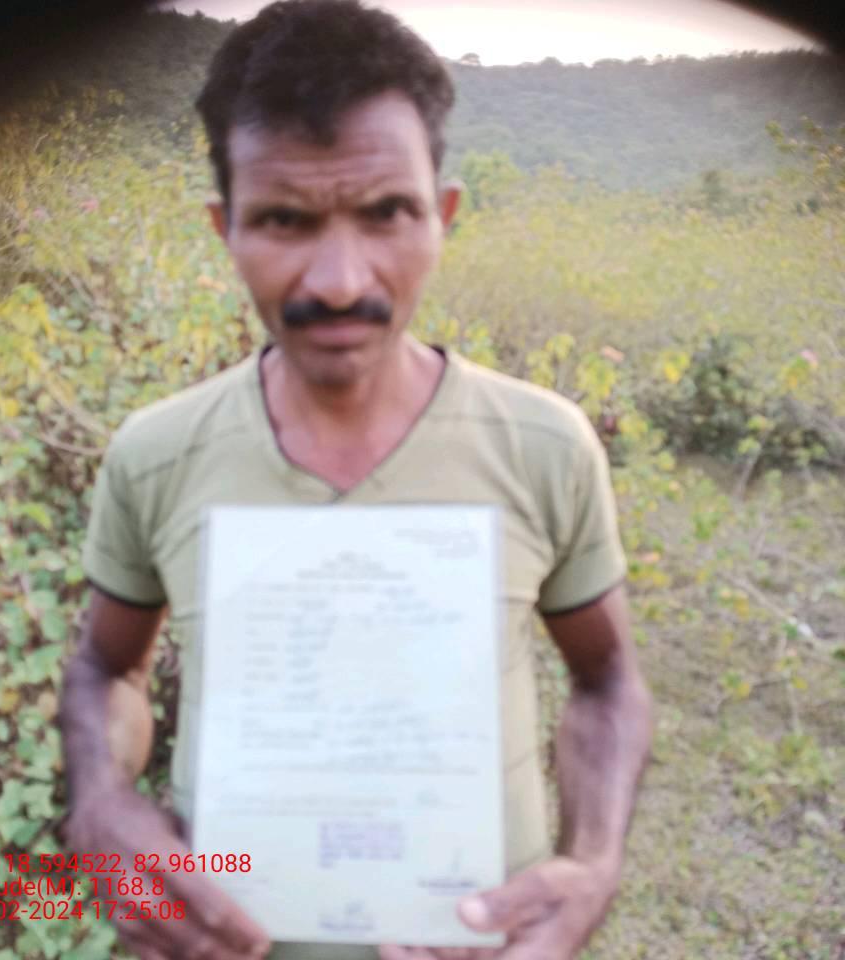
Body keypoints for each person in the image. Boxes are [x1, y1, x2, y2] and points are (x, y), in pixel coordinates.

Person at [59, 1, 654, 958]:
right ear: (224, 227)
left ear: (442, 216)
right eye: (284, 220)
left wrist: (594, 862)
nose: (339, 280)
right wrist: (99, 799)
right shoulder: (157, 454)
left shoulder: (543, 446)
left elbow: (609, 676)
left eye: (386, 214)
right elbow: (105, 667)